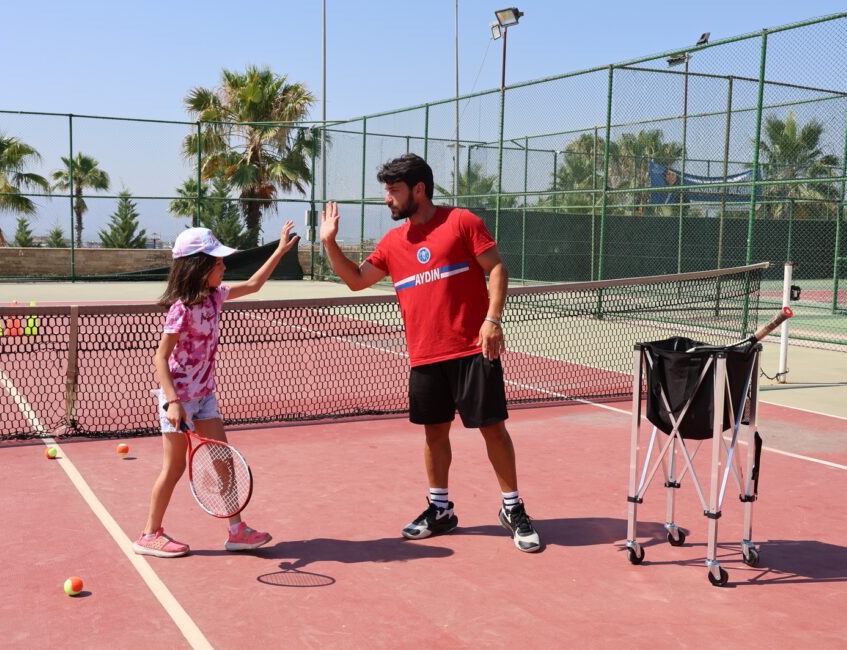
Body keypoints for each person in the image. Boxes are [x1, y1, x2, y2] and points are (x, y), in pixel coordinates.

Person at [320, 153, 541, 553]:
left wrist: (492, 320)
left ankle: (513, 508)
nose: (387, 199)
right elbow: (355, 280)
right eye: (386, 191)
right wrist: (329, 243)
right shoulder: (391, 244)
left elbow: (496, 269)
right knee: (434, 432)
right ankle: (440, 510)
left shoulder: (461, 222)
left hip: (473, 349)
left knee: (492, 427)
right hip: (425, 356)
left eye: (393, 191)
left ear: (418, 190)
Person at [134, 222, 299, 557]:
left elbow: (253, 284)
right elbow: (160, 358)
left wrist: (279, 252)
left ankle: (237, 530)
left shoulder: (216, 296)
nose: (224, 265)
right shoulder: (182, 308)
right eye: (218, 261)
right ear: (199, 266)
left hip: (205, 395)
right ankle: (150, 534)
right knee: (175, 468)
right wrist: (174, 402)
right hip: (178, 400)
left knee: (224, 460)